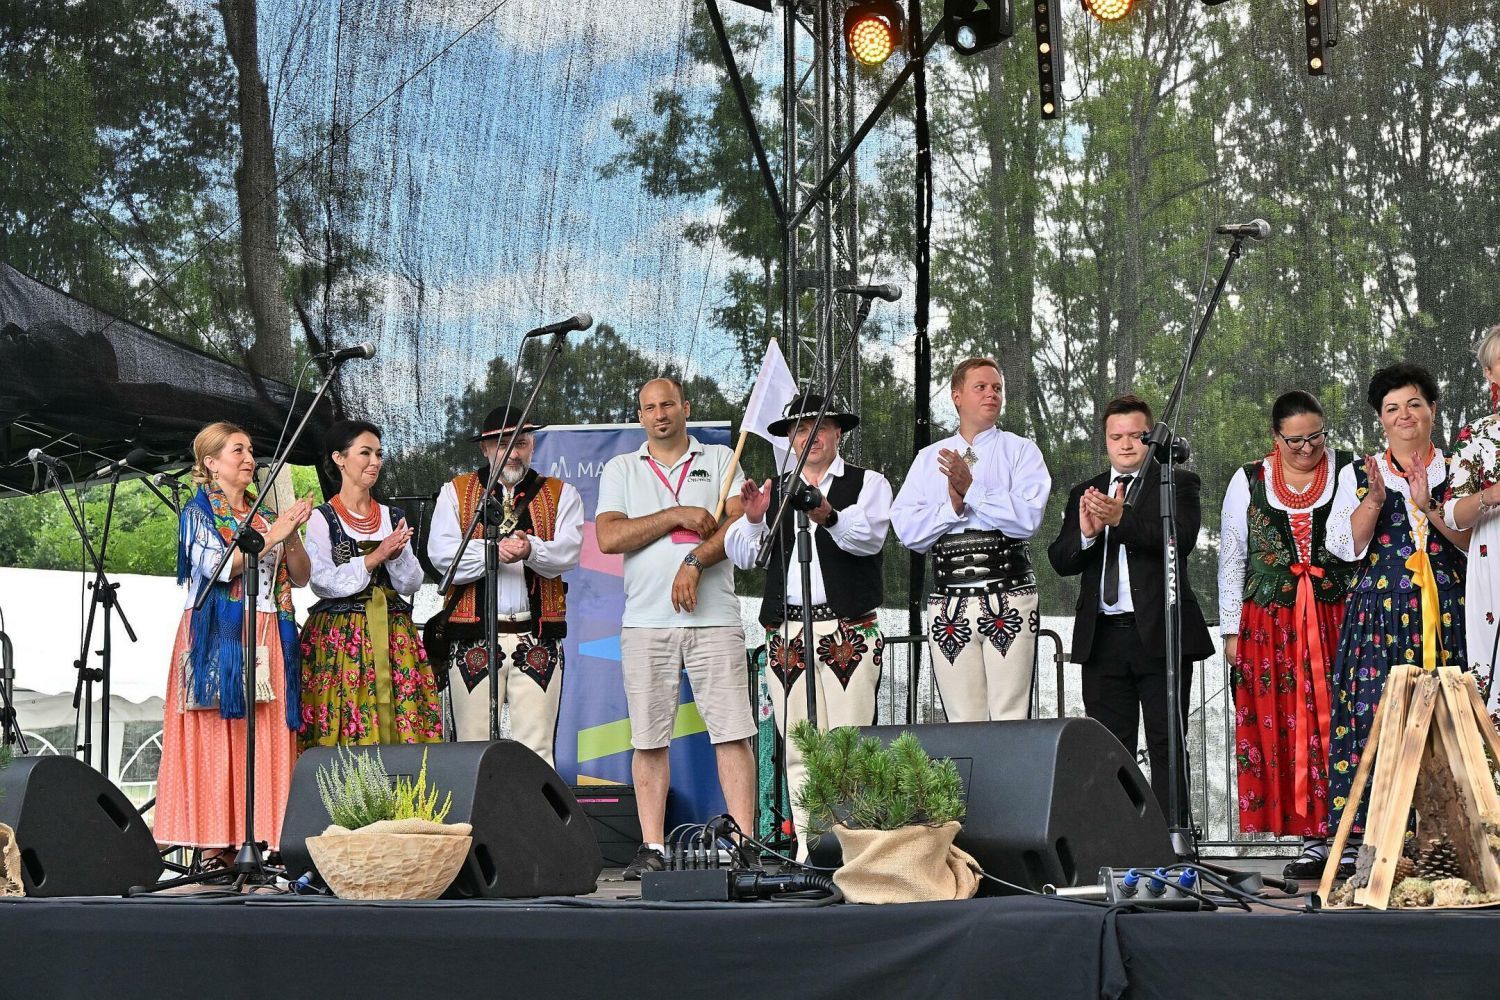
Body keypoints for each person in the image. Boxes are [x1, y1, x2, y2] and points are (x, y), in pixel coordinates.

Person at [596, 377, 755, 879]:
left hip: (715, 619)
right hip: (645, 622)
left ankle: (746, 843)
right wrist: (675, 515)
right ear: (640, 416)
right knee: (648, 739)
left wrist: (695, 561)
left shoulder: (722, 457)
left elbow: (739, 524)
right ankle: (652, 846)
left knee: (732, 732)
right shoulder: (622, 467)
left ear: (686, 407)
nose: (660, 414)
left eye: (668, 404)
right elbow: (608, 537)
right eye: (649, 407)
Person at [724, 392, 892, 857]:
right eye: (800, 429)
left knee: (850, 744)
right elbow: (745, 555)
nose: (810, 436)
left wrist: (828, 515)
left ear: (837, 433)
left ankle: (856, 850)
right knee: (798, 747)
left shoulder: (867, 483)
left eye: (819, 426)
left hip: (846, 628)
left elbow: (870, 539)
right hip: (788, 631)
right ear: (789, 440)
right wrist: (753, 520)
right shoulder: (774, 491)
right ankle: (808, 847)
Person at [1326, 363, 1470, 876]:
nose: (1404, 415)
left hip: (1447, 614)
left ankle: (1457, 841)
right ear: (1380, 419)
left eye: (1414, 404)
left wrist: (1428, 505)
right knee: (1376, 722)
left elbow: (1472, 544)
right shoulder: (1359, 473)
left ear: (1433, 410)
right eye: (1392, 408)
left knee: (1452, 724)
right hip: (1379, 620)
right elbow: (1344, 547)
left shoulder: (1460, 469)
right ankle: (1372, 846)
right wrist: (1374, 500)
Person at [1046, 395, 1213, 827]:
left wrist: (1123, 519)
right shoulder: (1086, 490)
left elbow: (1180, 539)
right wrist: (1086, 535)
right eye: (1115, 436)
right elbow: (1061, 559)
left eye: (1136, 436)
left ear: (1151, 438)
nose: (1125, 445)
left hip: (1159, 633)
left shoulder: (1176, 482)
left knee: (1166, 742)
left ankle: (1172, 837)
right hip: (1103, 637)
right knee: (1109, 747)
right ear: (1104, 440)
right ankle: (1118, 838)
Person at [155, 421, 313, 856]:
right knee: (217, 732)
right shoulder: (198, 513)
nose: (248, 458)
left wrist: (291, 532)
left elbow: (301, 577)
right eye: (237, 450)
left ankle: (262, 843)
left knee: (262, 737)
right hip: (217, 633)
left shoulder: (266, 517)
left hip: (267, 629)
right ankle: (215, 849)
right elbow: (217, 567)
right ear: (211, 462)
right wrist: (274, 534)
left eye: (249, 450)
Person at [1217, 391, 1358, 877]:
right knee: (1288, 725)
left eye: (1315, 436)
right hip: (1271, 625)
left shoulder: (1350, 470)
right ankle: (1311, 839)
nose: (1307, 448)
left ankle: (1353, 835)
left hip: (1337, 617)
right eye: (1295, 440)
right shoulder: (1249, 479)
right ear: (1275, 437)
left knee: (1345, 720)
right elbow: (1232, 557)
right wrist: (1231, 632)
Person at [891, 357, 1050, 722]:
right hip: (948, 600)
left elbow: (1027, 519)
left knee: (1010, 715)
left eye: (997, 388)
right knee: (962, 718)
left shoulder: (1021, 450)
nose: (992, 394)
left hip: (1009, 594)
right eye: (981, 387)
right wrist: (952, 507)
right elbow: (907, 531)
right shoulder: (928, 458)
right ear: (957, 396)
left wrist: (972, 490)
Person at [425, 406, 583, 768]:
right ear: (484, 449)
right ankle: (476, 809)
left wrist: (531, 549)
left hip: (536, 638)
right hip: (473, 639)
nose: (513, 453)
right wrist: (493, 552)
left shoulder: (561, 493)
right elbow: (443, 557)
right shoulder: (456, 491)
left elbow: (568, 553)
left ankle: (532, 809)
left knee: (537, 752)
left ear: (533, 445)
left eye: (521, 443)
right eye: (502, 445)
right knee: (472, 749)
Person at [299, 420, 442, 749]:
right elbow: (319, 581)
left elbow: (412, 583)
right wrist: (374, 557)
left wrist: (396, 555)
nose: (375, 461)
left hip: (393, 632)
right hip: (341, 637)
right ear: (339, 458)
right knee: (344, 714)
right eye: (365, 453)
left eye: (378, 454)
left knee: (401, 712)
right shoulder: (323, 517)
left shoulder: (392, 517)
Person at [1442, 324, 1500, 722]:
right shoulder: (1478, 435)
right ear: (1489, 373)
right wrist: (1491, 495)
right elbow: (1452, 514)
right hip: (1492, 559)